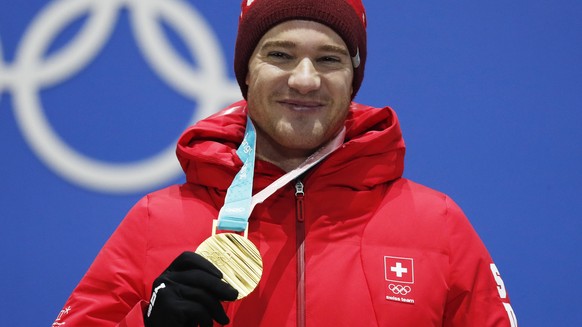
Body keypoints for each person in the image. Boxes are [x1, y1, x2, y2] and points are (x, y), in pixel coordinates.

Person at [53, 0, 518, 326]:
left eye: (329, 59)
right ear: (246, 72)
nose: (304, 79)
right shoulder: (158, 220)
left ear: (353, 78)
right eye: (280, 55)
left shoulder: (436, 226)